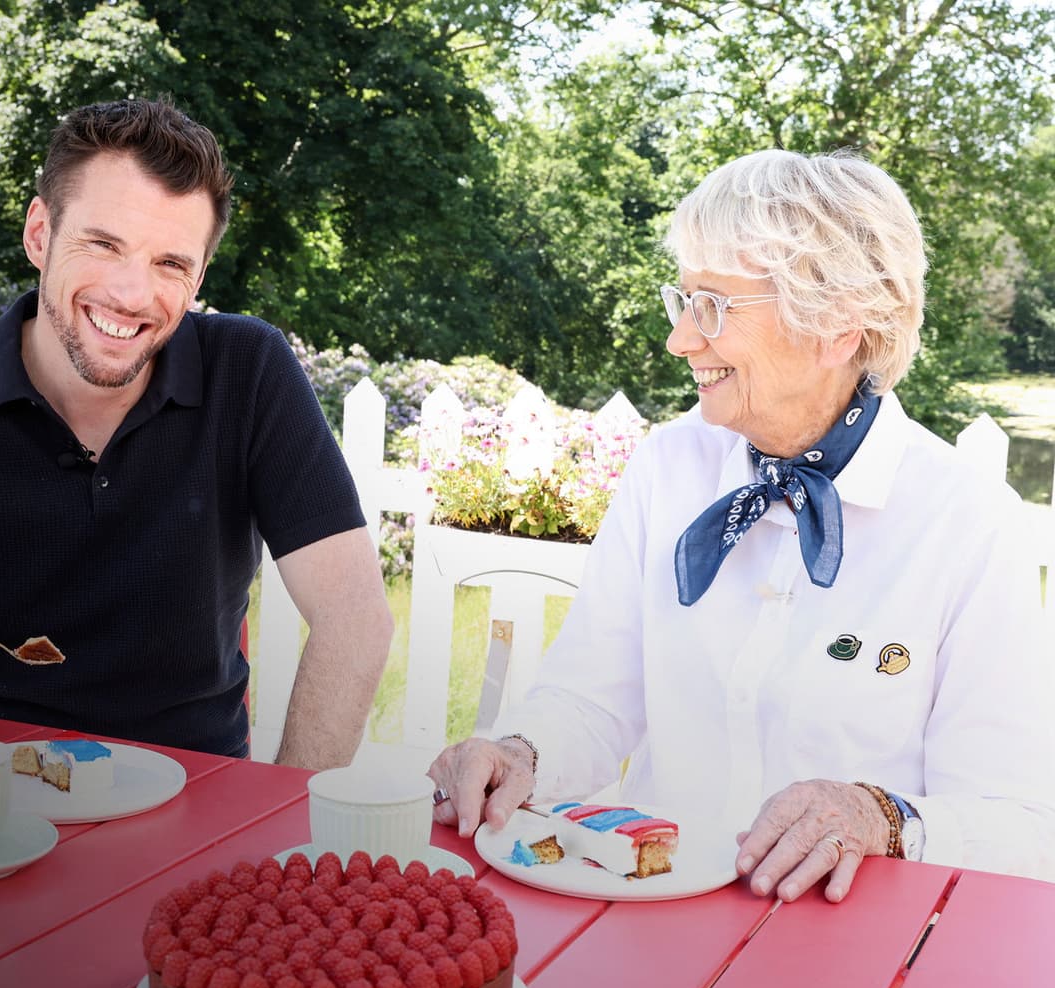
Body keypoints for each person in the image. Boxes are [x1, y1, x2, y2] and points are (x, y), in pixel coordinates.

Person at [426, 148, 1055, 899]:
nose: (681, 340)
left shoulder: (970, 527)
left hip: (859, 958)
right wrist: (520, 751)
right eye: (684, 299)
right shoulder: (667, 468)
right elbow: (592, 697)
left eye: (715, 306)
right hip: (653, 923)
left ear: (838, 327)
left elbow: (1013, 819)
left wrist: (878, 816)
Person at [0, 99, 393, 768]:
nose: (131, 293)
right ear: (39, 233)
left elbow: (355, 620)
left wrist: (278, 826)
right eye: (103, 243)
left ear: (199, 277)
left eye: (171, 264)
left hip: (193, 804)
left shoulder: (250, 371)